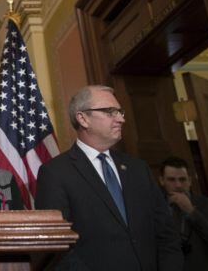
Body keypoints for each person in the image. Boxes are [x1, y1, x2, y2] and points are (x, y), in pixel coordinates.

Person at [36, 85, 182, 270]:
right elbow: (57, 247)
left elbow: (166, 233)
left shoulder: (138, 168)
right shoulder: (55, 173)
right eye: (110, 112)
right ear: (83, 118)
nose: (121, 119)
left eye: (120, 112)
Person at [159, 156, 208, 270]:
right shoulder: (154, 209)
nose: (178, 185)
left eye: (182, 179)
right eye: (171, 179)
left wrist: (192, 212)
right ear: (162, 180)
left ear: (190, 181)